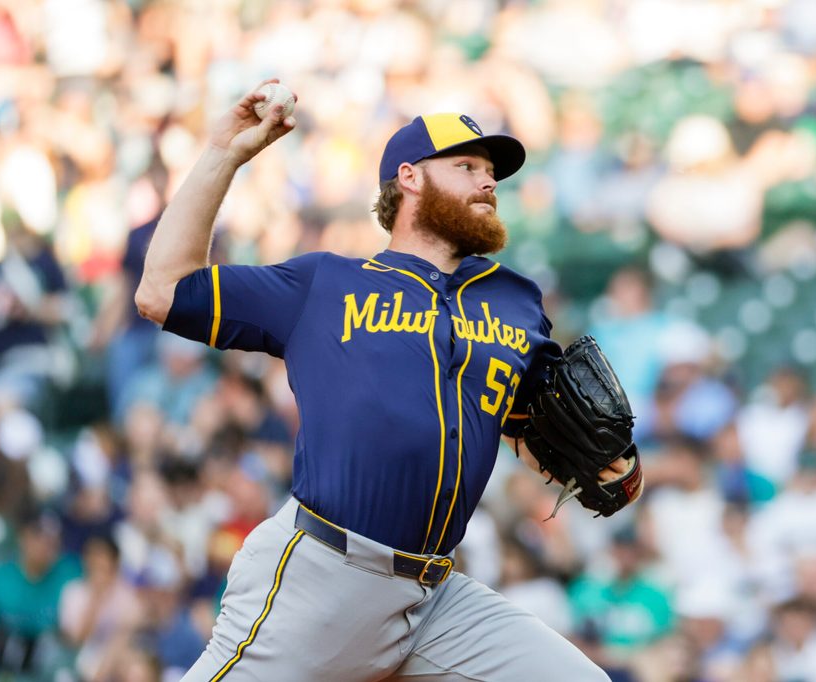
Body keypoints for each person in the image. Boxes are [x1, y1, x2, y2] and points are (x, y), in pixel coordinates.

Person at [134, 79, 632, 680]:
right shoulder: (325, 285)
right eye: (467, 165)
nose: (487, 182)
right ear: (410, 177)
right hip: (322, 579)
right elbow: (162, 291)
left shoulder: (516, 301)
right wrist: (224, 154)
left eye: (491, 171)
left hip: (434, 596)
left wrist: (607, 463)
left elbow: (534, 432)